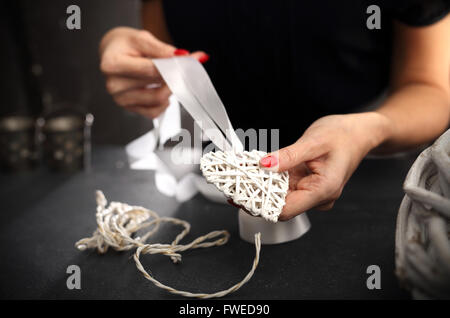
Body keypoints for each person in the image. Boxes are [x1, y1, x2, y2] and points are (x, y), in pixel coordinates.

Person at [99, 0, 450, 220]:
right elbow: (164, 52)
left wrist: (367, 130)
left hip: (366, 167)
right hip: (219, 174)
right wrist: (132, 55)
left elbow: (431, 88)